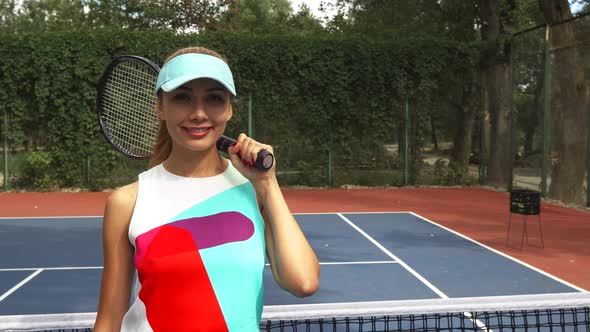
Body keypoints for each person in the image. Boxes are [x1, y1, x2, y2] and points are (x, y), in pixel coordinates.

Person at [93, 46, 320, 332]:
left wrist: (267, 184)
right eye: (182, 98)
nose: (199, 113)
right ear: (160, 108)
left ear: (228, 109)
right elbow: (109, 321)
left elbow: (303, 282)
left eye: (213, 98)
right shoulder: (126, 202)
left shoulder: (255, 193)